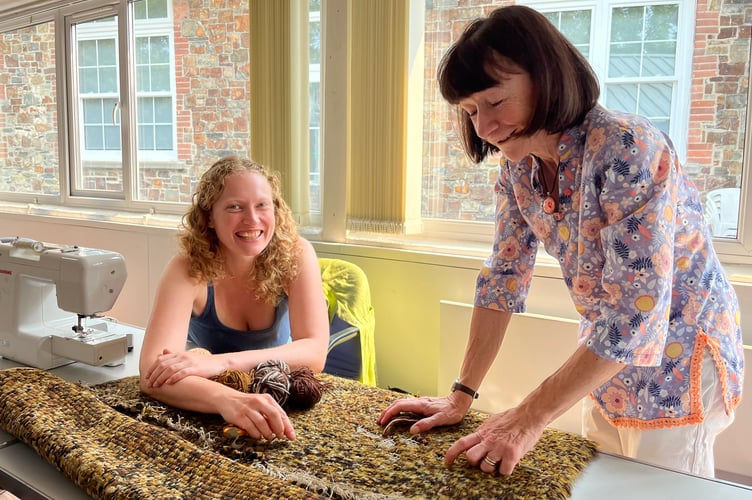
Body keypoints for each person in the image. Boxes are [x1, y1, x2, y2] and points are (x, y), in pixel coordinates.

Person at [378, 5, 744, 478]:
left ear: (544, 77)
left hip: (681, 354)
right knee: (600, 481)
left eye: (494, 102)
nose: (483, 128)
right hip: (605, 356)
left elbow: (638, 312)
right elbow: (504, 276)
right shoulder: (518, 166)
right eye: (470, 112)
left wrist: (528, 416)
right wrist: (461, 393)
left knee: (658, 488)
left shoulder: (625, 147)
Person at [140, 156, 329, 442]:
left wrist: (220, 363)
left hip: (273, 387)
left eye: (262, 205)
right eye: (234, 207)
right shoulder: (186, 269)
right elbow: (151, 375)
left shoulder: (297, 254)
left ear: (276, 210)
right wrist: (227, 400)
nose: (252, 220)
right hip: (203, 392)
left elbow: (315, 351)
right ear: (210, 218)